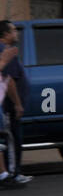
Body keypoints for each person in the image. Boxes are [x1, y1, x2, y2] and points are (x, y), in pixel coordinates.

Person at [0, 20, 30, 184]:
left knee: (10, 139)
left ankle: (12, 172)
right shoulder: (5, 51)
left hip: (7, 106)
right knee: (11, 140)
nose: (16, 33)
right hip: (9, 107)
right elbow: (9, 81)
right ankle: (12, 174)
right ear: (5, 34)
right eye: (13, 30)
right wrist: (18, 104)